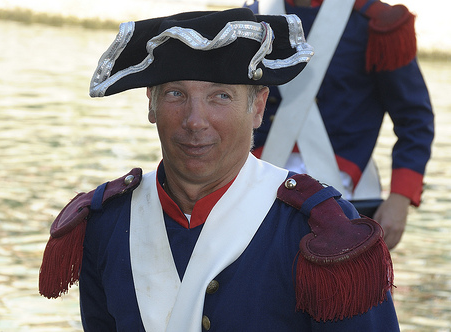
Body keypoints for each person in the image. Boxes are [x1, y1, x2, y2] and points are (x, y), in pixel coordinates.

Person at [38, 8, 400, 331]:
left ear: (258, 107)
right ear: (150, 103)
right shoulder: (105, 224)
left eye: (221, 96)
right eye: (176, 94)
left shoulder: (321, 232)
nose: (196, 122)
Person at [245, 0, 435, 250]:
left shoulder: (377, 22)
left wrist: (400, 197)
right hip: (255, 188)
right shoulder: (251, 17)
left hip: (348, 193)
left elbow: (414, 118)